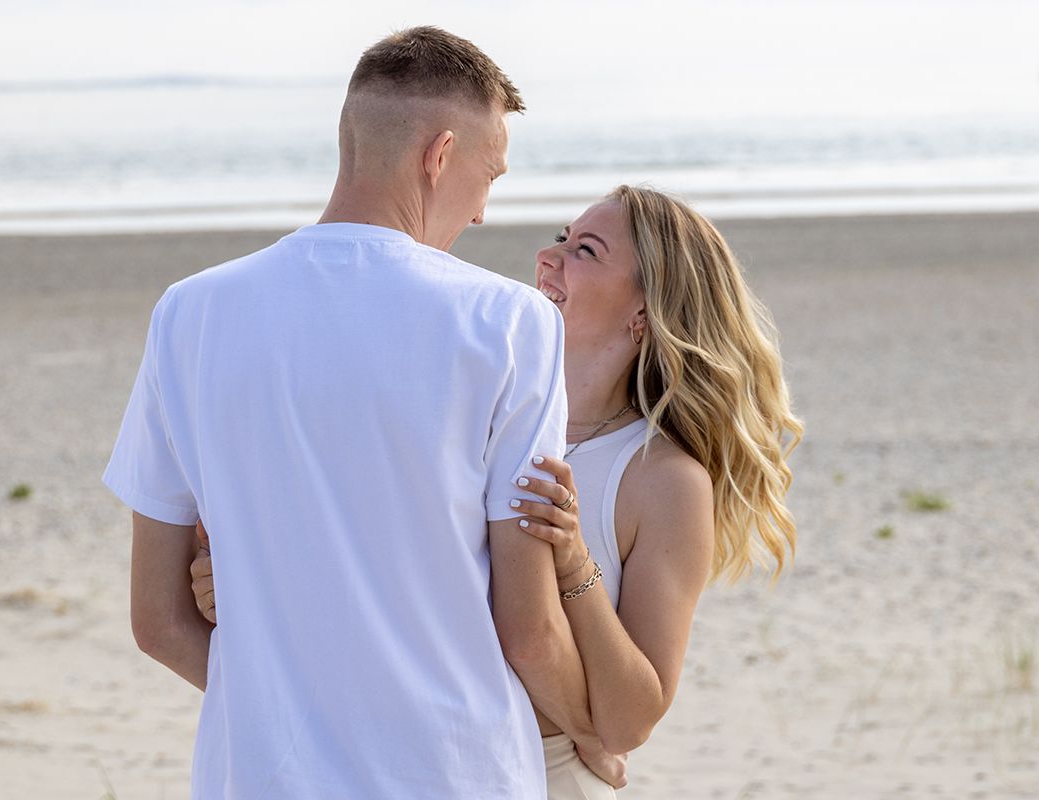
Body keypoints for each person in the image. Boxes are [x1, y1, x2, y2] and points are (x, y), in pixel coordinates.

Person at [103, 26, 621, 800]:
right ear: (439, 156)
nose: (481, 212)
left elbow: (157, 620)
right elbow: (528, 625)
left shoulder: (191, 313)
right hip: (457, 774)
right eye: (490, 174)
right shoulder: (508, 323)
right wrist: (591, 733)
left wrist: (291, 719)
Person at [191, 185, 805, 798]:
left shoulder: (662, 478)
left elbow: (632, 718)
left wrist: (574, 565)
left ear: (642, 313)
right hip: (414, 765)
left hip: (550, 777)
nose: (548, 255)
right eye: (562, 237)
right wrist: (248, 584)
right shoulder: (459, 415)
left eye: (585, 250)